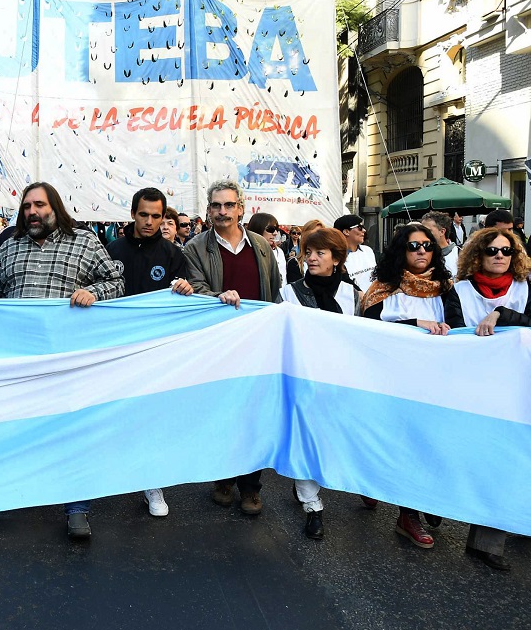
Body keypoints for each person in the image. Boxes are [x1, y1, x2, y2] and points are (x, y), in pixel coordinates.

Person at [0, 181, 124, 539]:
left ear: (55, 207)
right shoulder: (7, 248)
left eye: (39, 205)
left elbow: (116, 281)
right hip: (19, 360)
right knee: (12, 427)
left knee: (72, 431)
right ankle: (2, 494)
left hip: (68, 359)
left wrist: (92, 292)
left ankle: (77, 507)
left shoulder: (84, 242)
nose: (31, 212)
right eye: (26, 206)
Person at [183, 179, 282, 516]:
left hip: (258, 342)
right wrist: (218, 297)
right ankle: (223, 478)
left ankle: (251, 487)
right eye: (215, 206)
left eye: (228, 205)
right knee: (222, 411)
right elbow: (195, 288)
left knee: (254, 413)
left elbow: (274, 289)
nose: (222, 212)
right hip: (219, 345)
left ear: (241, 208)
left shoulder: (262, 246)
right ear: (208, 210)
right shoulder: (195, 247)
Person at [360, 223, 459, 549]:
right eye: (413, 246)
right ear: (401, 250)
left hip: (435, 383)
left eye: (427, 246)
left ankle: (418, 499)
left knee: (429, 446)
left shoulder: (445, 288)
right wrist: (414, 325)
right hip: (392, 384)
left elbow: (458, 330)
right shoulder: (381, 290)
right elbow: (367, 334)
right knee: (402, 446)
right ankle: (408, 514)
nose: (421, 251)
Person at [441, 228, 531, 570]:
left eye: (506, 251)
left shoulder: (524, 289)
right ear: (477, 254)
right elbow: (454, 336)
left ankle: (488, 541)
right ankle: (431, 508)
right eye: (492, 250)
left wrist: (503, 315)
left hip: (515, 389)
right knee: (465, 458)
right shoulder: (459, 292)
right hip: (470, 390)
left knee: (505, 460)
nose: (499, 256)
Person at [105, 187, 194, 518]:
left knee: (154, 413)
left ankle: (152, 481)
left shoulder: (173, 254)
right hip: (117, 346)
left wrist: (187, 288)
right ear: (132, 214)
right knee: (118, 410)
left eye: (157, 216)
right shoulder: (112, 249)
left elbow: (188, 293)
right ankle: (111, 472)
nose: (150, 221)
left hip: (156, 348)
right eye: (144, 214)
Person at [277, 228, 359, 539]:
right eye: (308, 252)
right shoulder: (288, 294)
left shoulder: (353, 295)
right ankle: (312, 504)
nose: (311, 257)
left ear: (337, 259)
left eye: (320, 253)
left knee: (331, 437)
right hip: (303, 378)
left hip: (339, 380)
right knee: (304, 438)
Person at [335, 214, 376, 291]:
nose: (364, 230)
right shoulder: (336, 257)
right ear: (346, 231)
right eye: (360, 227)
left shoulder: (368, 251)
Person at [247, 212, 286, 287]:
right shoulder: (245, 251)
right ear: (258, 228)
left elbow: (283, 280)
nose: (275, 233)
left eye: (276, 229)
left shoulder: (279, 252)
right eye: (270, 229)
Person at [420, 211, 458, 277]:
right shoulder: (420, 254)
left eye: (428, 231)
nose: (423, 234)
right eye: (422, 231)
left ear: (442, 231)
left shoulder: (460, 254)